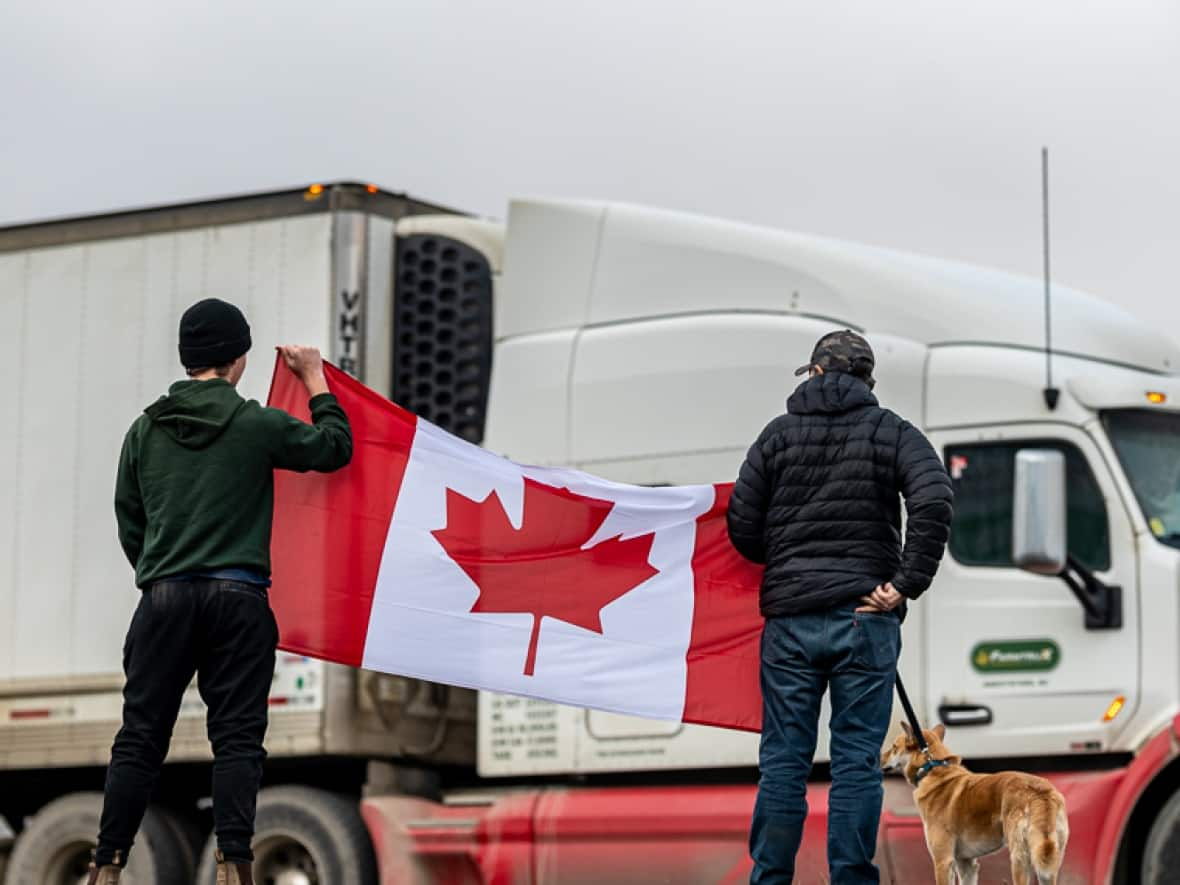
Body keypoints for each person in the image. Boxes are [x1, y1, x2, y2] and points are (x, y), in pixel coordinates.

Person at [89, 299, 353, 885]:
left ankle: (106, 866)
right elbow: (335, 447)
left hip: (164, 599)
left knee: (139, 739)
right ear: (239, 359)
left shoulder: (143, 430)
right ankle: (235, 865)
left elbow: (129, 517)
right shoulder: (256, 424)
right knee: (236, 739)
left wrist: (162, 573)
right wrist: (314, 379)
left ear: (187, 359)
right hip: (238, 600)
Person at [727, 329, 953, 884]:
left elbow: (741, 525)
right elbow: (934, 497)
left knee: (783, 763)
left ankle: (771, 879)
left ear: (815, 373)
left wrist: (786, 563)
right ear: (865, 381)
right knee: (855, 764)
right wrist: (905, 583)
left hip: (790, 624)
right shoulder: (892, 431)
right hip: (865, 619)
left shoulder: (775, 438)